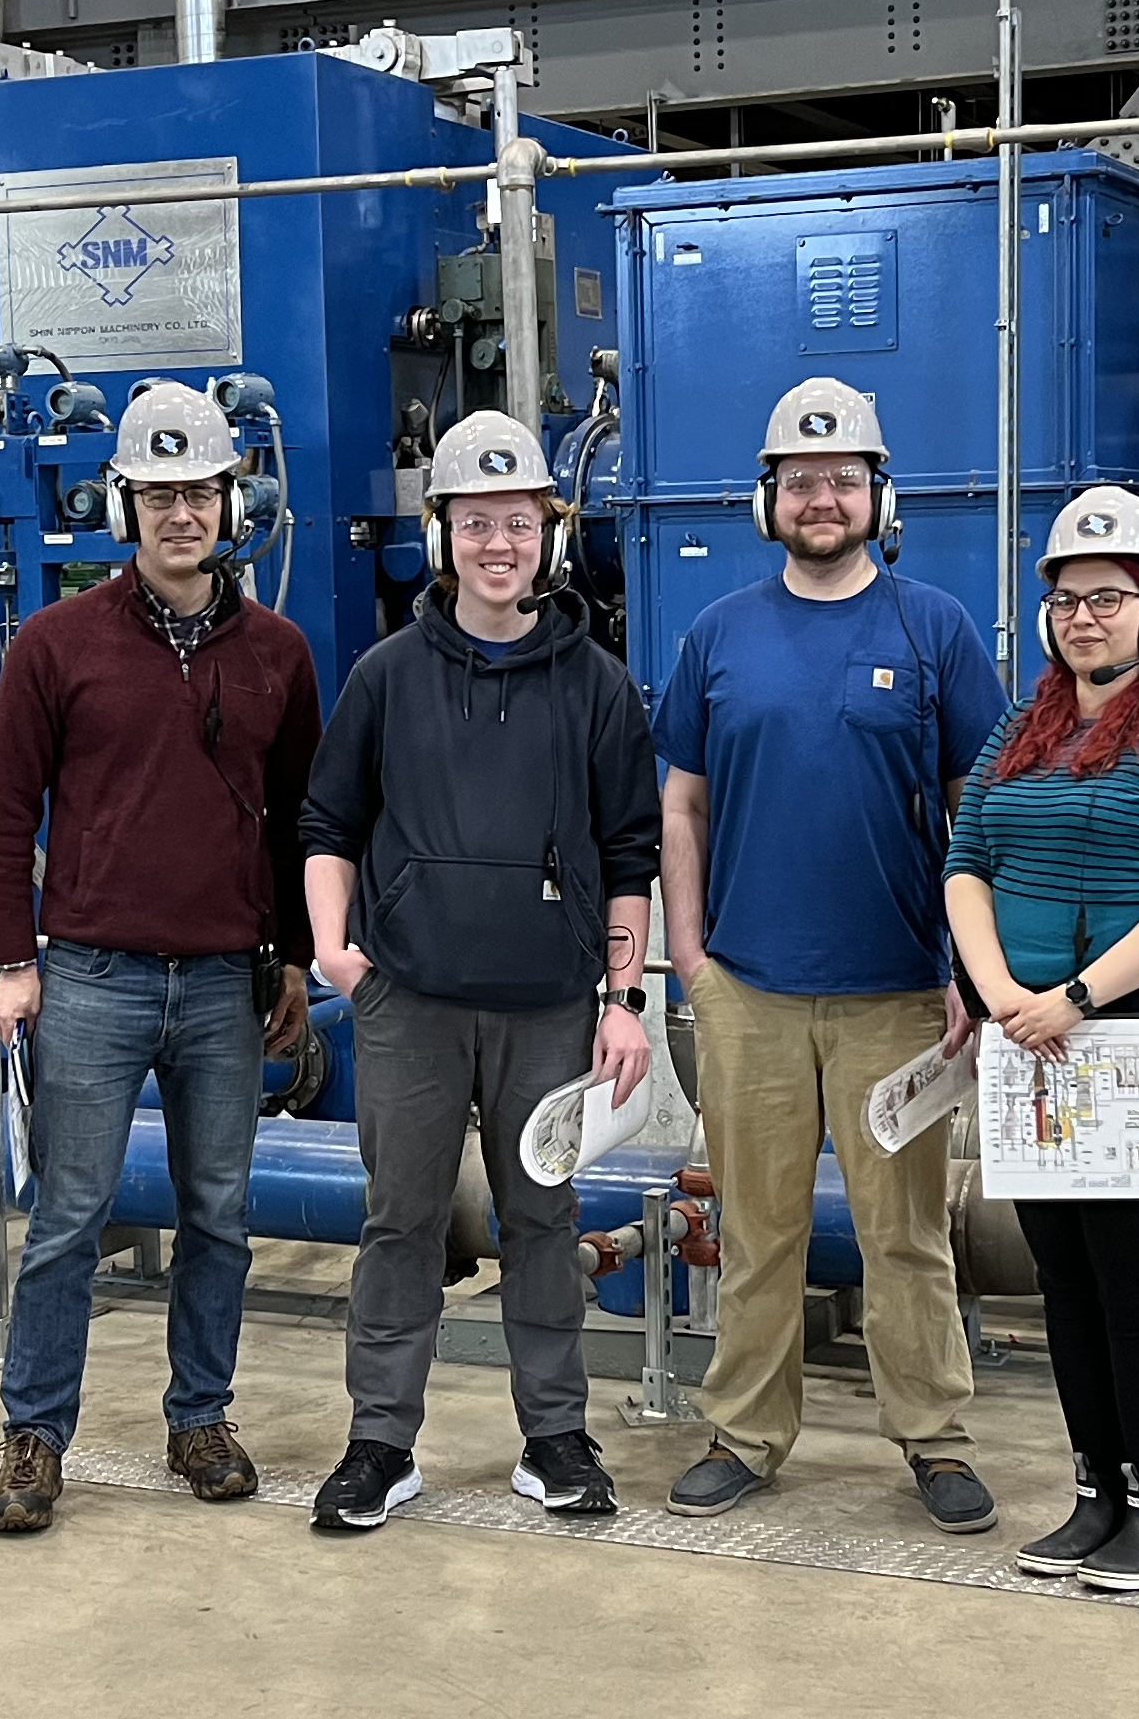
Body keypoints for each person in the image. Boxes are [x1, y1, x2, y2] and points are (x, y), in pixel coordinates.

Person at [653, 377, 1010, 1531]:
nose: (821, 497)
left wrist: (966, 970)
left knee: (906, 1230)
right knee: (759, 1228)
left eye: (842, 480)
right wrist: (690, 954)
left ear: (876, 496)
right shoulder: (718, 635)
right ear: (769, 500)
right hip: (748, 990)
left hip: (897, 995)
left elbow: (978, 810)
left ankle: (934, 1436)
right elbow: (682, 809)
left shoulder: (935, 629)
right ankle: (746, 1431)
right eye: (800, 480)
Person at [0, 381, 323, 1536]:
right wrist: (15, 958)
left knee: (219, 1211)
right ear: (125, 503)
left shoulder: (278, 652)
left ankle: (199, 1416)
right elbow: (2, 808)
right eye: (161, 493)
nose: (183, 513)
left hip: (226, 981)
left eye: (202, 492)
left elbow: (297, 820)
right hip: (91, 978)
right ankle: (34, 1434)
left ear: (233, 502)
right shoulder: (55, 643)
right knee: (69, 1212)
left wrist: (291, 962)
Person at [298, 409, 660, 1534]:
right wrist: (332, 950)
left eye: (519, 520)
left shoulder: (593, 682)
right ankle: (379, 1442)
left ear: (547, 532)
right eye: (475, 521)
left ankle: (554, 1436)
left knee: (541, 1220)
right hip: (410, 1001)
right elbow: (327, 820)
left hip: (551, 1003)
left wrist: (624, 997)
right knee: (400, 1220)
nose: (498, 542)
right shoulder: (387, 674)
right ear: (441, 531)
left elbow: (631, 849)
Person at [943, 484, 1139, 1593]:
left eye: (1107, 597)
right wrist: (996, 994)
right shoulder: (1017, 735)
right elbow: (965, 860)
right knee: (1060, 1281)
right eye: (1067, 598)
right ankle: (1095, 1492)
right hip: (1029, 1038)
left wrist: (1070, 995)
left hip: (1137, 1037)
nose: (1084, 616)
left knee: (1133, 1283)